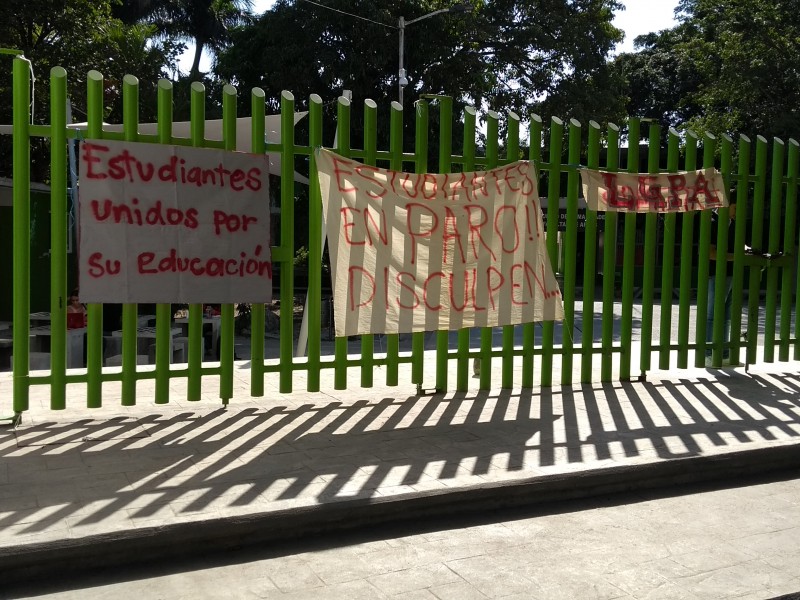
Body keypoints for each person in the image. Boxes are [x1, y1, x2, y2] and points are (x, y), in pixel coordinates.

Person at [706, 202, 737, 366]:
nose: (737, 212)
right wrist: (736, 256)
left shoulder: (732, 223)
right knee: (713, 315)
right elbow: (711, 253)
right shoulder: (713, 221)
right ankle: (708, 352)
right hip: (716, 274)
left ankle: (723, 353)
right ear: (727, 205)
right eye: (735, 208)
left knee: (726, 316)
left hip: (731, 273)